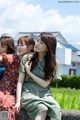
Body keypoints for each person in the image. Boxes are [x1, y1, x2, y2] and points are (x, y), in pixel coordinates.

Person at [15, 32, 61, 120]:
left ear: (48, 48)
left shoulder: (54, 63)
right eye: (37, 41)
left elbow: (44, 84)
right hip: (28, 92)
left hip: (45, 94)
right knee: (42, 109)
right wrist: (18, 101)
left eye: (41, 43)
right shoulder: (27, 58)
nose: (37, 44)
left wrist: (29, 72)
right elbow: (20, 82)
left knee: (56, 108)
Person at [0, 34, 35, 120]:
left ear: (30, 47)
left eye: (22, 45)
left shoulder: (33, 61)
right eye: (18, 45)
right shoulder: (14, 58)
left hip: (16, 93)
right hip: (3, 89)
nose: (19, 47)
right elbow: (3, 58)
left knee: (6, 105)